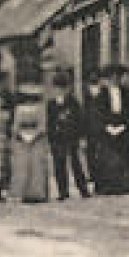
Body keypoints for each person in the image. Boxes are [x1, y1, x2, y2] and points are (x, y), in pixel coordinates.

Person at [91, 64, 129, 195]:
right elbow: (98, 113)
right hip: (107, 127)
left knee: (125, 155)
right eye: (112, 77)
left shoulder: (125, 93)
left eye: (117, 77)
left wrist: (122, 126)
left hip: (122, 126)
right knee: (107, 156)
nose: (115, 80)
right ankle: (108, 186)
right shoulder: (101, 94)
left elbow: (127, 111)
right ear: (108, 79)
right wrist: (107, 127)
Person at [45, 72, 91, 200]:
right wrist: (51, 138)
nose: (60, 91)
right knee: (59, 165)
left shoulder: (73, 102)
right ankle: (63, 191)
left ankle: (83, 189)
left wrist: (81, 136)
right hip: (57, 138)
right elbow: (49, 122)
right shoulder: (51, 104)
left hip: (71, 136)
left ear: (67, 88)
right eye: (57, 88)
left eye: (62, 88)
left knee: (76, 163)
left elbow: (79, 120)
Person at [9, 88, 52, 203]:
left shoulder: (41, 109)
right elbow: (15, 126)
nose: (29, 100)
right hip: (22, 141)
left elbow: (43, 126)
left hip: (37, 141)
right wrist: (21, 135)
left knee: (37, 166)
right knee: (23, 166)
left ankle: (38, 194)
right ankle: (24, 193)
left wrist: (35, 135)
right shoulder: (19, 109)